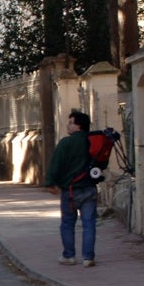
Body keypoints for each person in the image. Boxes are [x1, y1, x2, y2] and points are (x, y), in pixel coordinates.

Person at [46, 109, 97, 267]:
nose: (68, 125)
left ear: (79, 126)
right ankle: (88, 257)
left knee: (68, 223)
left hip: (70, 191)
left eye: (71, 122)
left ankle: (69, 256)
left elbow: (56, 164)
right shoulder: (92, 142)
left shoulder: (66, 143)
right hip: (89, 189)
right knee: (89, 224)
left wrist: (50, 182)